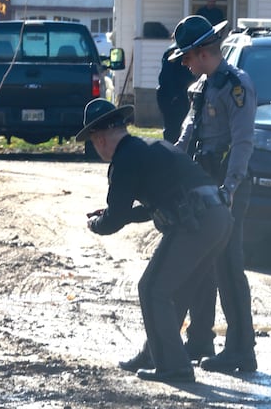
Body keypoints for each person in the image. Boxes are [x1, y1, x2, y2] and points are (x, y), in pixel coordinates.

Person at [78, 98, 233, 383]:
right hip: (218, 217)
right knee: (175, 291)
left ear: (99, 139)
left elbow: (114, 220)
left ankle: (174, 366)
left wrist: (95, 224)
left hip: (196, 222)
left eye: (92, 141)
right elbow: (152, 207)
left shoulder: (124, 159)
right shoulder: (147, 147)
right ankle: (155, 354)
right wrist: (116, 214)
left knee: (151, 288)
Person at [171, 14, 258, 373]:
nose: (185, 64)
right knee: (200, 262)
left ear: (203, 53)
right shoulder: (202, 88)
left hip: (226, 183)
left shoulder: (236, 86)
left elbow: (242, 142)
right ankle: (200, 340)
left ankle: (241, 349)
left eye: (187, 57)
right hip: (203, 182)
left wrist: (230, 188)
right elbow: (187, 137)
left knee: (227, 265)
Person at [157, 43, 196, 142]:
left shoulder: (191, 48)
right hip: (174, 97)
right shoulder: (174, 52)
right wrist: (174, 95)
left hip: (185, 95)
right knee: (173, 130)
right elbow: (166, 77)